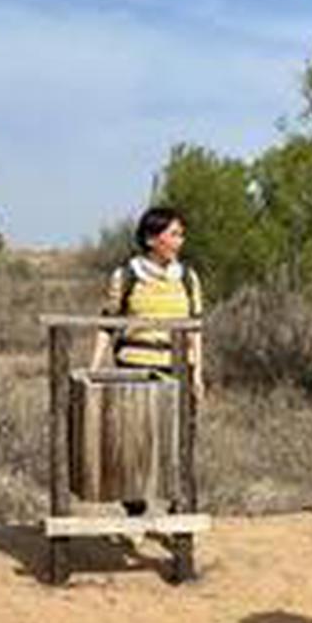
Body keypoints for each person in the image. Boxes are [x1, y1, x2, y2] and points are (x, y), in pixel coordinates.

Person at [91, 205, 205, 515]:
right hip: (134, 368)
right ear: (152, 239)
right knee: (132, 440)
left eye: (181, 234)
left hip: (176, 368)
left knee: (178, 440)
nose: (180, 240)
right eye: (173, 234)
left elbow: (195, 328)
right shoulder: (127, 275)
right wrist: (95, 367)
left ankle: (177, 506)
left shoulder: (188, 278)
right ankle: (134, 503)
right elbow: (107, 324)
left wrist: (197, 374)